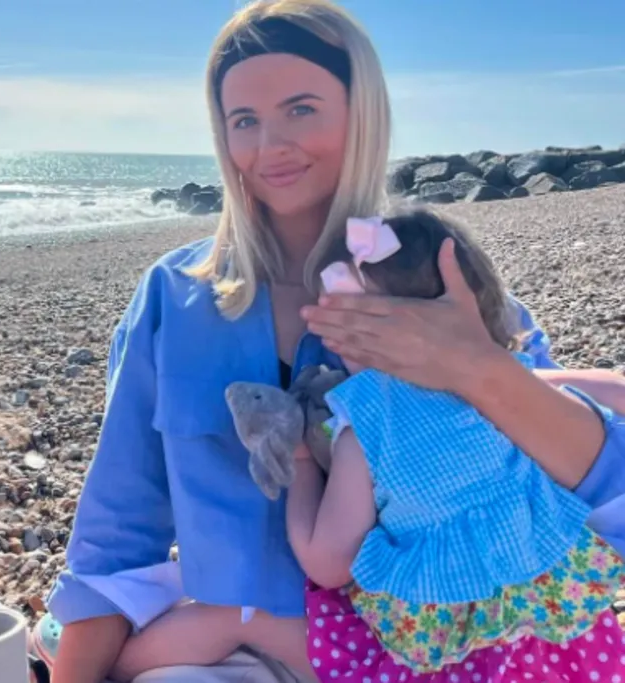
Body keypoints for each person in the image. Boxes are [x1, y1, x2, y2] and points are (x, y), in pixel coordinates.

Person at [35, 1, 625, 682]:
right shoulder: (174, 298)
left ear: (361, 112)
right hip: (230, 655)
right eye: (244, 121)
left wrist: (472, 367)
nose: (269, 145)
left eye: (302, 108)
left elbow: (602, 492)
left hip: (441, 658)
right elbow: (117, 533)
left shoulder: (443, 283)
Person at [289, 209, 625, 680]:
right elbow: (614, 391)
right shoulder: (506, 390)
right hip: (567, 637)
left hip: (455, 657)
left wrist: (301, 462)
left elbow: (328, 563)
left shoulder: (365, 432)